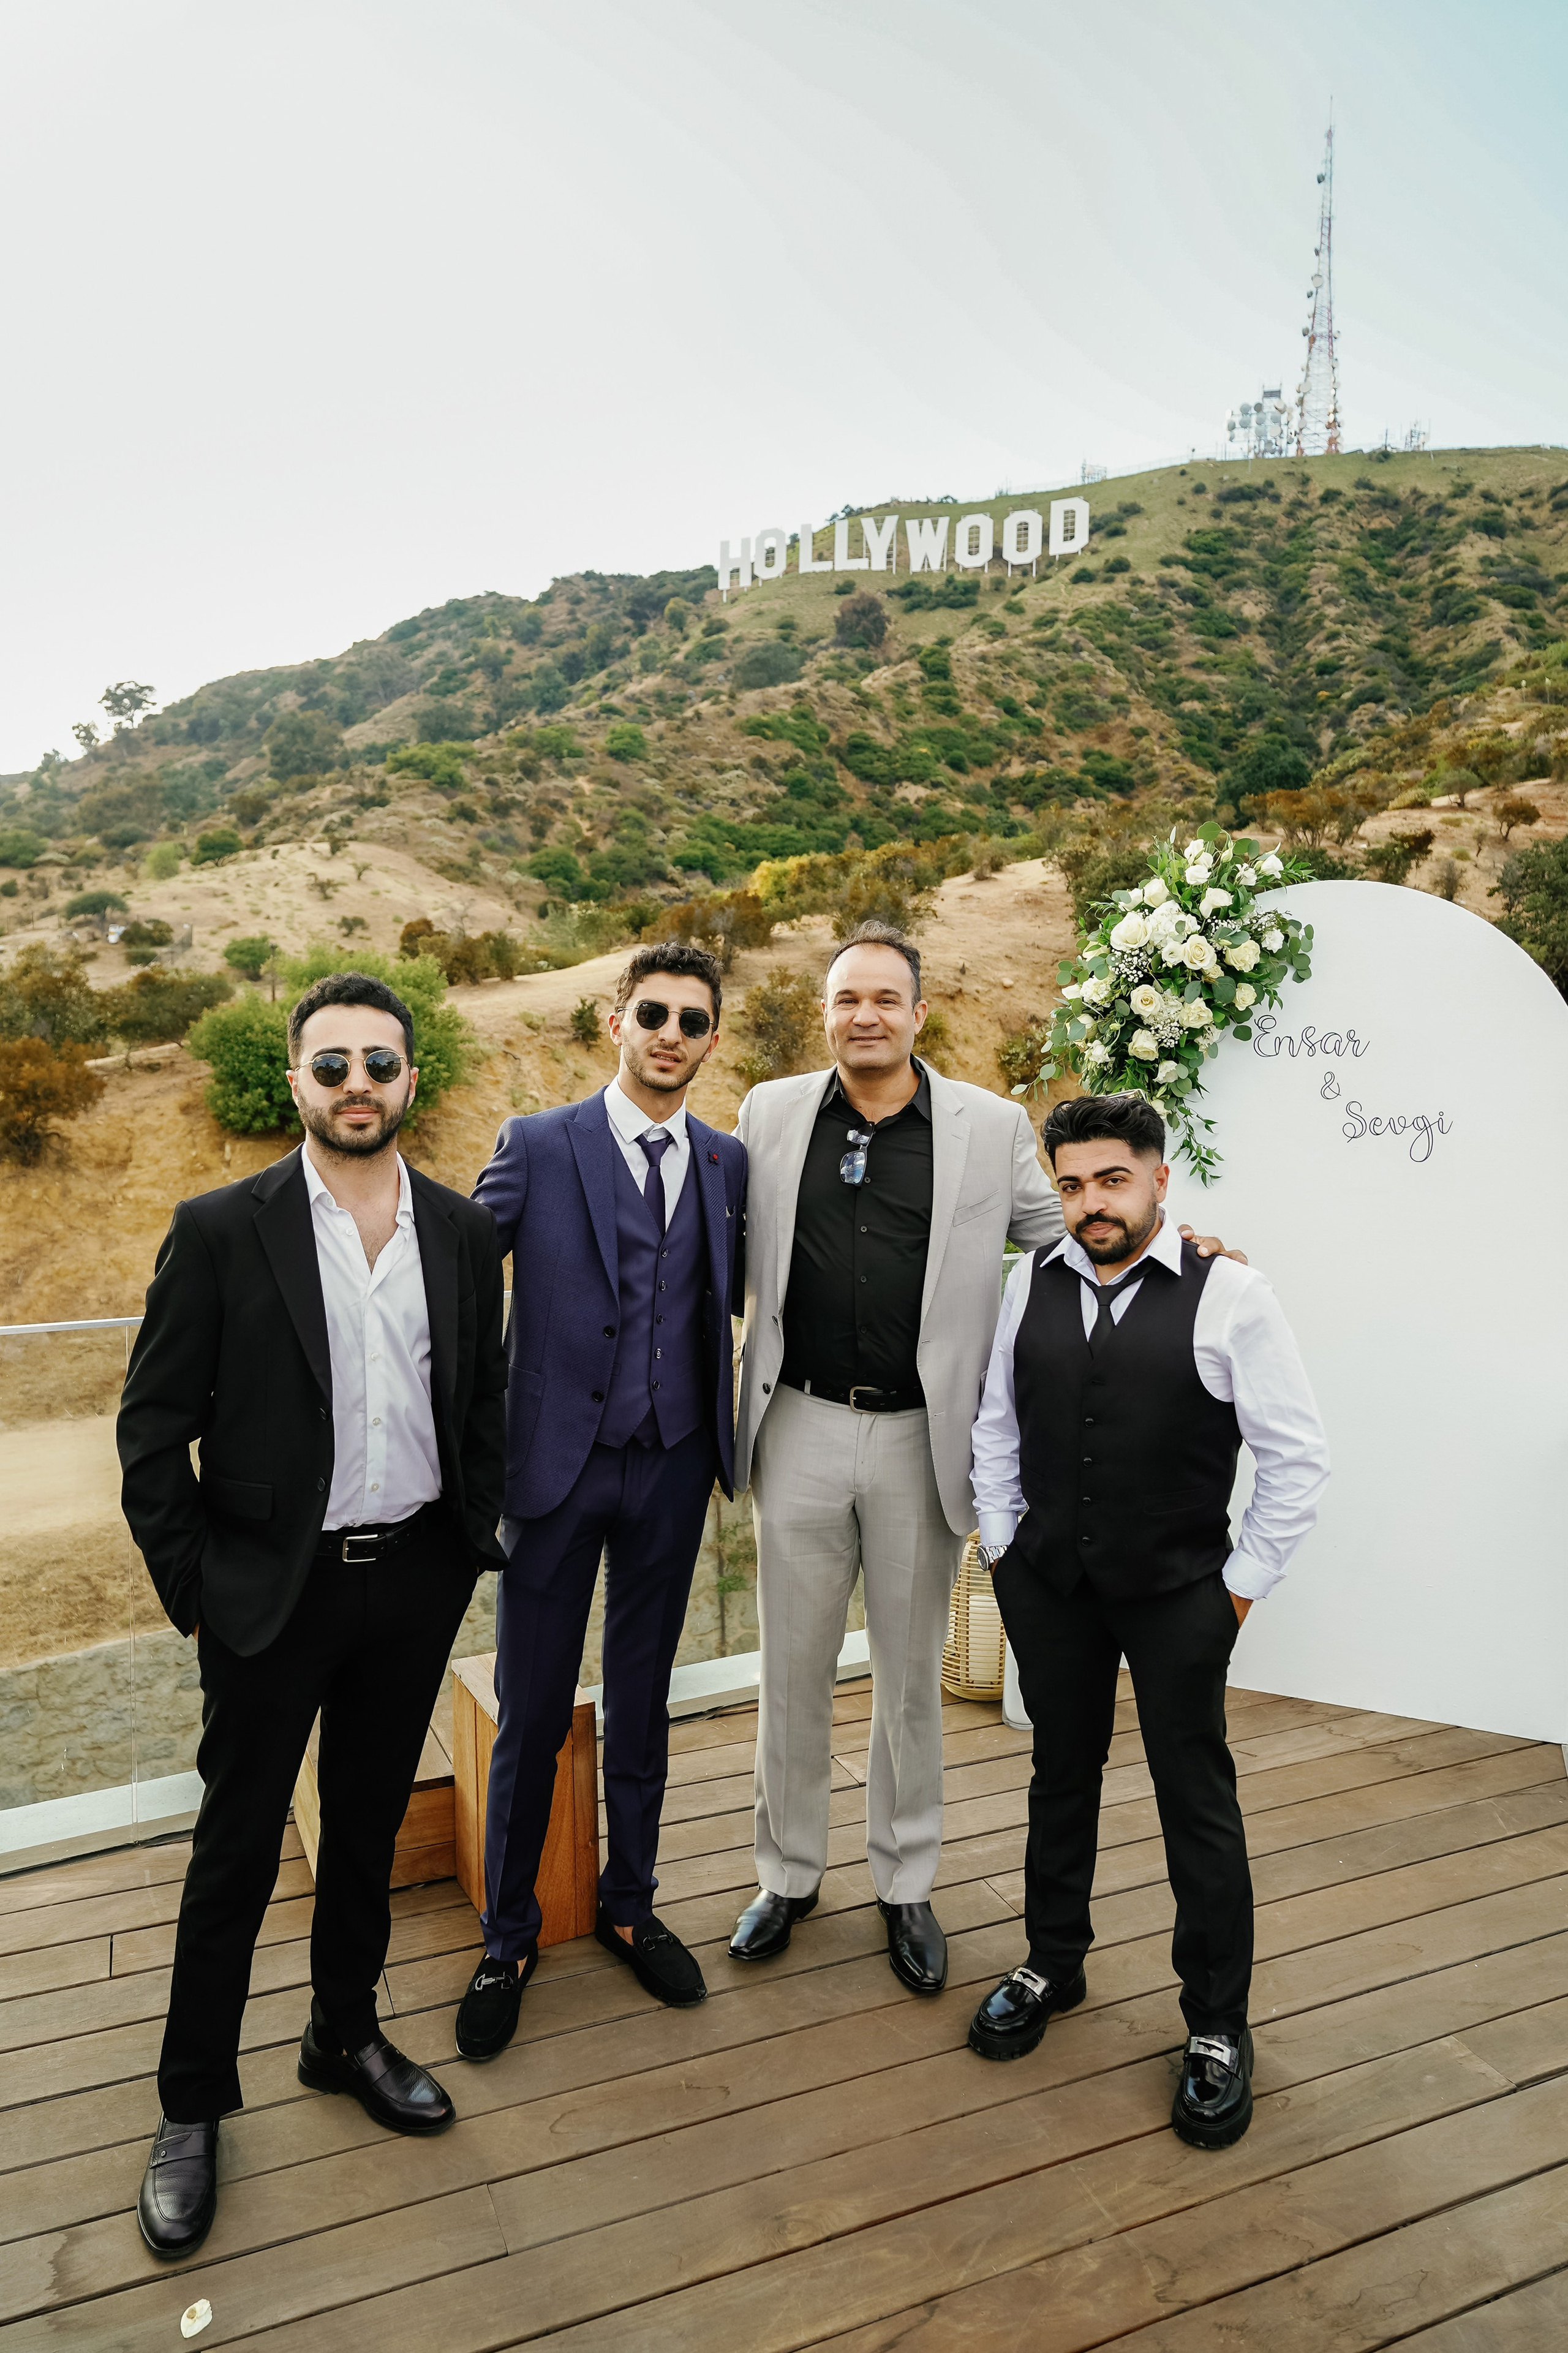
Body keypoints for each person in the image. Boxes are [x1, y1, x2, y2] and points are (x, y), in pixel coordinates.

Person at [727, 923, 1237, 1995]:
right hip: (802, 1422)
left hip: (926, 1432)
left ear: (921, 1013)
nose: (864, 1014)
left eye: (884, 998)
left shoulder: (988, 1125)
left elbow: (1085, 1221)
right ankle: (788, 1871)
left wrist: (1188, 1240)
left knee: (911, 1677)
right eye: (845, 998)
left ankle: (904, 1882)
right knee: (793, 1670)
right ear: (827, 1013)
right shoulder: (770, 1113)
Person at [118, 972, 507, 2258]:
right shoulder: (223, 1228)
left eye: (379, 1065)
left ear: (411, 1082)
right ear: (295, 1081)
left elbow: (483, 1401)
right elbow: (151, 1429)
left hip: (410, 1582)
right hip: (266, 1598)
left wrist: (470, 1536)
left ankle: (343, 2032)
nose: (357, 1085)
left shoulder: (459, 1233)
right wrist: (198, 1590)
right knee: (233, 1854)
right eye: (331, 1064)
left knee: (367, 1830)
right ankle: (190, 2105)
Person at [967, 1091, 1329, 2147]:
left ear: (1159, 1179)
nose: (1092, 1203)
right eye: (1072, 1184)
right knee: (1059, 1774)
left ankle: (1216, 2024)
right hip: (1052, 1587)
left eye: (1113, 1179)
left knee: (1196, 1801)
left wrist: (1239, 1590)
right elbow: (997, 1422)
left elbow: (1296, 1458)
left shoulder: (1234, 1296)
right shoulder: (1027, 1282)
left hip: (1181, 1593)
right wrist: (1003, 1546)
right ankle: (1053, 1961)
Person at [456, 941, 745, 2057]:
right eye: (654, 1013)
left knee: (642, 1698)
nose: (671, 1033)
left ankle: (631, 1901)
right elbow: (456, 1274)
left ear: (710, 1039)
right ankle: (508, 1936)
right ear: (614, 1022)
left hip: (673, 1466)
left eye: (692, 1019)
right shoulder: (537, 1145)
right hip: (554, 1470)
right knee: (532, 1710)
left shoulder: (725, 1163)